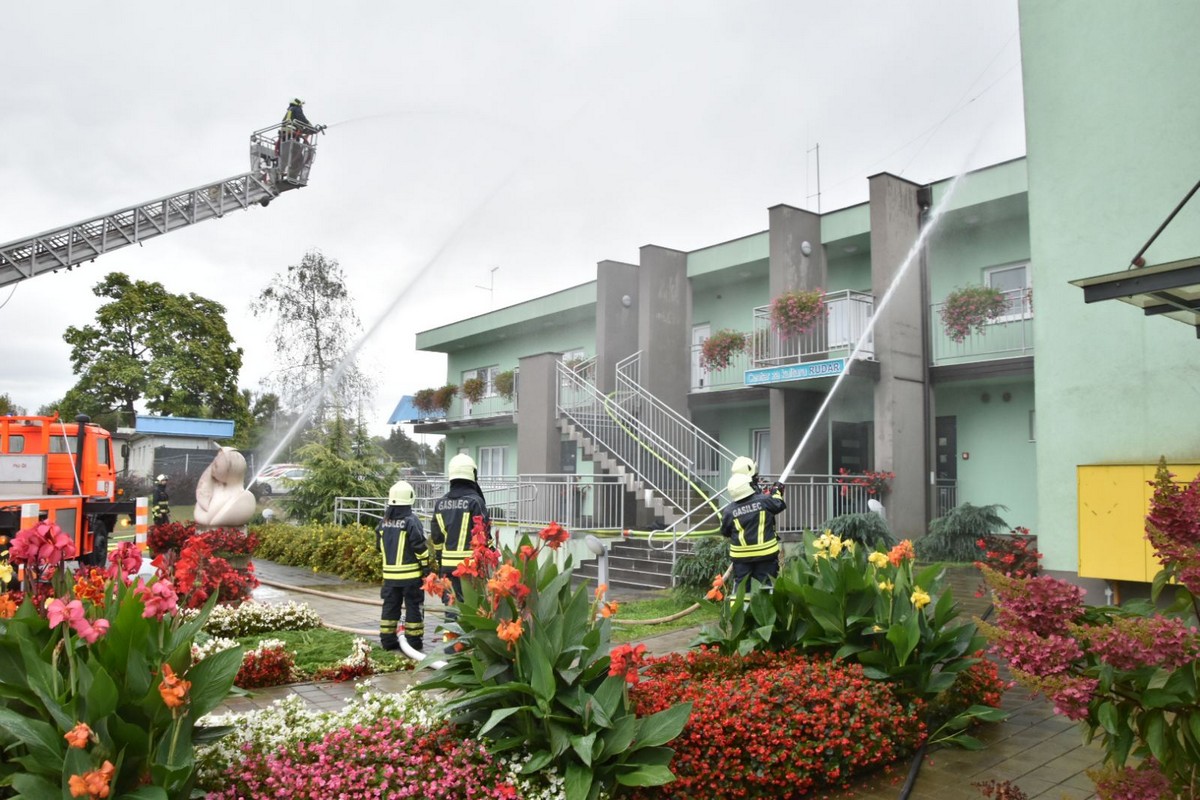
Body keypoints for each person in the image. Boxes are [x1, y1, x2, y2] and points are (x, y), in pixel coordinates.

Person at [376, 480, 429, 653]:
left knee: (390, 607)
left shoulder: (383, 522)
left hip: (390, 577)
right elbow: (420, 546)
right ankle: (413, 641)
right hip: (411, 576)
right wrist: (426, 566)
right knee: (413, 606)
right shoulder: (411, 521)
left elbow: (379, 547)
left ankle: (388, 640)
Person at [430, 453, 491, 605]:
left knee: (451, 608)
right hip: (470, 567)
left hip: (447, 566)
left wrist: (440, 557)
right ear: (472, 474)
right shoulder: (475, 501)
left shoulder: (440, 503)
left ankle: (450, 630)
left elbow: (436, 537)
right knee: (471, 610)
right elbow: (484, 535)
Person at [721, 473, 786, 589]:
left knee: (742, 589)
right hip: (765, 554)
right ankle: (764, 606)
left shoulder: (729, 511)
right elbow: (778, 505)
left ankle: (738, 607)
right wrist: (777, 492)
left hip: (741, 557)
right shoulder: (764, 500)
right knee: (766, 586)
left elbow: (725, 532)